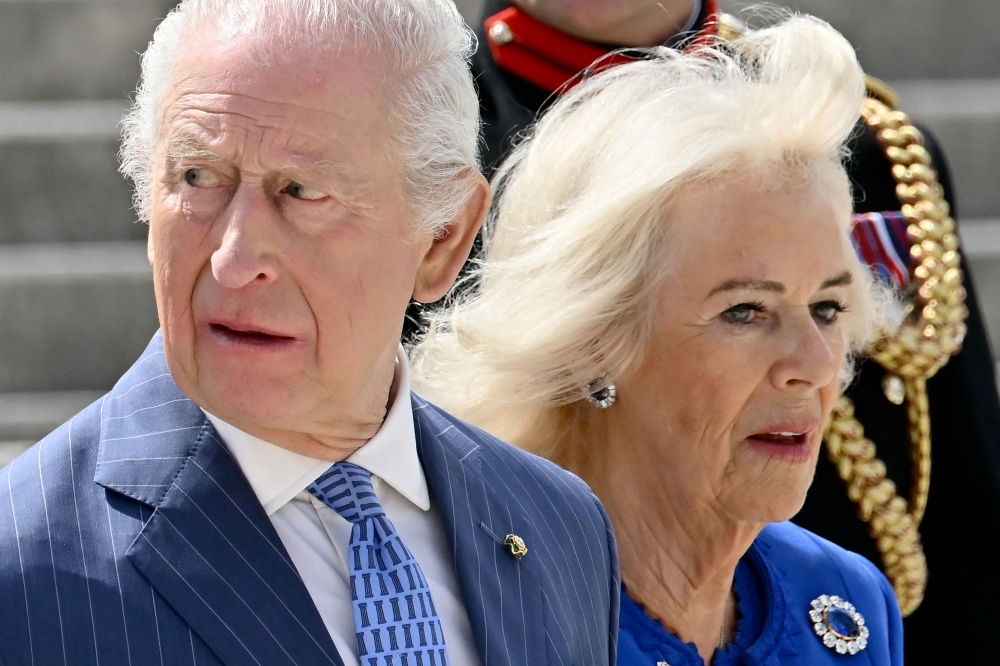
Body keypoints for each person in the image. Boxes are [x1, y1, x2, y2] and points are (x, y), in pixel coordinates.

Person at [0, 1, 620, 664]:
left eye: (299, 191)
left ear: (443, 238)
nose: (234, 261)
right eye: (197, 177)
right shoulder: (23, 566)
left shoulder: (562, 525)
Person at [407, 0, 1000, 659]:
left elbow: (968, 520)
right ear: (591, 340)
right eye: (744, 311)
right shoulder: (468, 619)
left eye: (829, 308)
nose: (814, 364)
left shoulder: (848, 603)